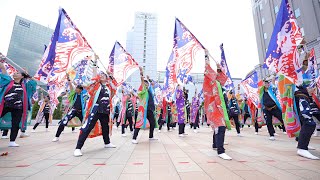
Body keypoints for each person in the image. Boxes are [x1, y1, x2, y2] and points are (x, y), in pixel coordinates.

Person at [73, 61, 116, 157]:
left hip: (106, 110)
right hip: (96, 109)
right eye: (101, 75)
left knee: (105, 127)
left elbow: (114, 86)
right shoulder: (96, 85)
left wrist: (110, 76)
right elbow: (91, 80)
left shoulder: (109, 87)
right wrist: (95, 65)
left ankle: (107, 143)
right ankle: (78, 148)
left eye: (104, 75)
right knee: (87, 127)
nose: (102, 76)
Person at [203, 49, 232, 160]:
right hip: (213, 106)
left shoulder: (217, 82)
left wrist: (219, 67)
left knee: (217, 127)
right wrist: (206, 55)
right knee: (221, 126)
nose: (215, 73)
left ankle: (215, 145)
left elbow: (223, 78)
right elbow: (207, 67)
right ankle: (221, 151)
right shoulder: (209, 80)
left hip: (219, 107)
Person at [0, 62, 37, 147]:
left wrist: (27, 74)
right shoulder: (8, 81)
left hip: (18, 108)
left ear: (22, 76)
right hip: (5, 105)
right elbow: (3, 69)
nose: (15, 73)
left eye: (18, 73)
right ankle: (5, 134)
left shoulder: (25, 85)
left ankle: (12, 141)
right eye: (15, 73)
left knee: (15, 124)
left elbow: (34, 83)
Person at [52, 75, 87, 142]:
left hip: (82, 112)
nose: (76, 89)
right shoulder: (74, 94)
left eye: (77, 88)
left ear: (80, 89)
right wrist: (69, 80)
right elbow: (71, 87)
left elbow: (87, 88)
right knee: (63, 122)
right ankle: (57, 136)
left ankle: (85, 136)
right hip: (73, 110)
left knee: (86, 124)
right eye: (76, 88)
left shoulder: (84, 94)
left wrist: (79, 84)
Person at [132, 67, 157, 144]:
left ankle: (151, 136)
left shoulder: (149, 90)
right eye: (144, 83)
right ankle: (134, 138)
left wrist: (149, 79)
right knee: (139, 123)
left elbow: (152, 84)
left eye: (147, 83)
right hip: (143, 110)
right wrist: (141, 73)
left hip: (150, 110)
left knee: (152, 123)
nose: (146, 84)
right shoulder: (142, 90)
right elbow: (142, 81)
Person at [294, 86, 319, 159]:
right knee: (309, 122)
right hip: (301, 95)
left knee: (305, 122)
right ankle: (302, 148)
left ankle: (302, 144)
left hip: (303, 94)